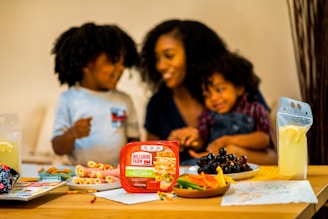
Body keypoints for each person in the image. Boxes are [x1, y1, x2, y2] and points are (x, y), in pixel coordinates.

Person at [139, 19, 271, 165]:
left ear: (193, 55)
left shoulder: (240, 92)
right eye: (157, 59)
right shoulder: (158, 104)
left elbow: (276, 156)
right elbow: (149, 163)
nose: (160, 66)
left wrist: (237, 153)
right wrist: (169, 148)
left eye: (169, 56)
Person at [51, 22, 140, 166]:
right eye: (112, 61)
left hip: (117, 175)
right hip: (81, 176)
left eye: (123, 63)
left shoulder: (124, 100)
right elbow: (58, 148)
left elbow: (134, 141)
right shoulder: (69, 99)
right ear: (85, 64)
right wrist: (72, 134)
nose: (121, 68)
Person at [178, 52, 277, 165]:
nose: (214, 98)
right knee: (185, 165)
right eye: (207, 95)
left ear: (239, 87)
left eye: (219, 90)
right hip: (216, 164)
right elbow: (202, 138)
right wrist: (194, 142)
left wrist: (229, 140)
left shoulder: (254, 109)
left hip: (247, 164)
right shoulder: (208, 114)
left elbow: (264, 140)